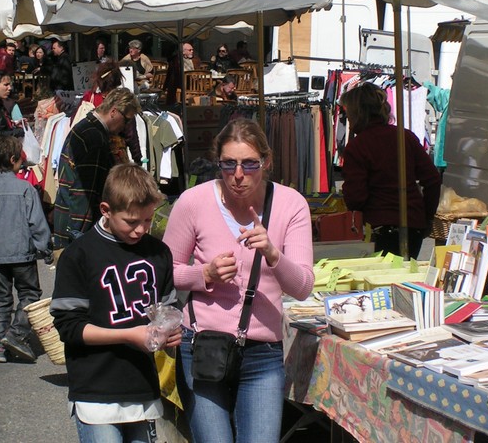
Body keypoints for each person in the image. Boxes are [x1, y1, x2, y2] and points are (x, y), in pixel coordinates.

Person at [163, 118, 314, 443]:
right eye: (229, 164)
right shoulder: (193, 201)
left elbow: (302, 287)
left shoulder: (291, 205)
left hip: (262, 353)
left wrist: (273, 254)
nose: (239, 175)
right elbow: (163, 270)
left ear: (267, 162)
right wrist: (203, 274)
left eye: (250, 164)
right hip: (203, 346)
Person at [51, 163, 180, 443]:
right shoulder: (79, 255)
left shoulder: (159, 253)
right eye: (131, 222)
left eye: (147, 220)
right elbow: (69, 328)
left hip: (142, 388)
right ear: (106, 210)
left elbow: (170, 308)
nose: (140, 230)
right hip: (95, 390)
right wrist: (129, 335)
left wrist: (172, 331)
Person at [338, 82, 442, 260]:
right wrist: (427, 217)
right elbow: (432, 179)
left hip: (380, 226)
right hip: (412, 224)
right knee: (403, 280)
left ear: (358, 113)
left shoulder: (358, 146)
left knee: (384, 281)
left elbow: (356, 197)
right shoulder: (405, 137)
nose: (346, 119)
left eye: (348, 114)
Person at [0, 135, 50, 364]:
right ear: (14, 159)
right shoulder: (25, 189)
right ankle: (15, 333)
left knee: (0, 298)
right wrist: (43, 248)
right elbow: (37, 222)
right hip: (22, 253)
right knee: (30, 294)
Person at [52, 88, 141, 248]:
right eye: (126, 120)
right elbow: (85, 194)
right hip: (78, 228)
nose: (126, 126)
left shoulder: (86, 126)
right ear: (114, 112)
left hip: (69, 220)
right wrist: (81, 235)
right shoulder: (95, 139)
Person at [80, 61, 142, 165]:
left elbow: (73, 121)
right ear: (118, 79)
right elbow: (131, 135)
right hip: (115, 157)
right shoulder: (122, 101)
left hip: (89, 153)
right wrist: (138, 159)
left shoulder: (89, 98)